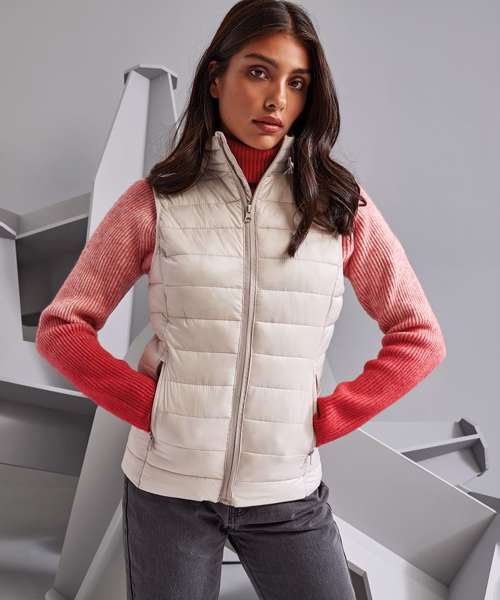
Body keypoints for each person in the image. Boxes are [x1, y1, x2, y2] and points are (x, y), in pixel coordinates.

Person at [36, 0, 447, 598]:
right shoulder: (156, 201)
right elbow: (63, 327)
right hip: (169, 489)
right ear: (215, 78)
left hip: (286, 490)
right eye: (258, 72)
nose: (277, 98)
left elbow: (419, 336)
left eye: (297, 83)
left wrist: (328, 417)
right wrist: (150, 408)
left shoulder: (339, 206)